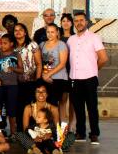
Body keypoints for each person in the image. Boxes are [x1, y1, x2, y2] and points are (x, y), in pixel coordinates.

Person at [67, 12, 107, 144]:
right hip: (75, 78)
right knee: (78, 107)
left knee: (91, 107)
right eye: (76, 21)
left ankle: (94, 133)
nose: (79, 23)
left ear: (86, 22)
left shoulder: (94, 37)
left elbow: (103, 58)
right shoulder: (71, 40)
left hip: (89, 78)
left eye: (81, 20)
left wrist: (94, 70)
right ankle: (80, 133)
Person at [0, 34, 23, 138]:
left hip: (12, 85)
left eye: (5, 43)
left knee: (12, 109)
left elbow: (21, 70)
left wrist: (12, 69)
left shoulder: (16, 55)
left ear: (11, 44)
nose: (2, 46)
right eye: (1, 43)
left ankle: (13, 133)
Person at [14, 23, 42, 119]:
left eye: (20, 30)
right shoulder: (11, 46)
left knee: (29, 106)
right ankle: (19, 131)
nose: (18, 32)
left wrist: (38, 79)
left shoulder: (32, 45)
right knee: (18, 106)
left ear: (25, 32)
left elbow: (39, 63)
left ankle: (29, 128)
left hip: (30, 81)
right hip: (15, 81)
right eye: (16, 30)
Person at [40, 24, 69, 120]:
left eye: (52, 32)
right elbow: (39, 62)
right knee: (46, 104)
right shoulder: (42, 45)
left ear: (57, 32)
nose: (50, 34)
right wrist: (43, 75)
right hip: (45, 78)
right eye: (48, 32)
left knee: (54, 104)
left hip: (58, 78)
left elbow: (62, 63)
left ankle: (59, 128)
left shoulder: (61, 45)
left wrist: (49, 74)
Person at [59, 13, 76, 132]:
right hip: (61, 71)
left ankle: (71, 125)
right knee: (63, 98)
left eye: (68, 21)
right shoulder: (58, 38)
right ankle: (62, 124)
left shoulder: (75, 38)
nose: (65, 23)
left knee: (73, 100)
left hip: (74, 71)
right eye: (63, 20)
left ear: (71, 23)